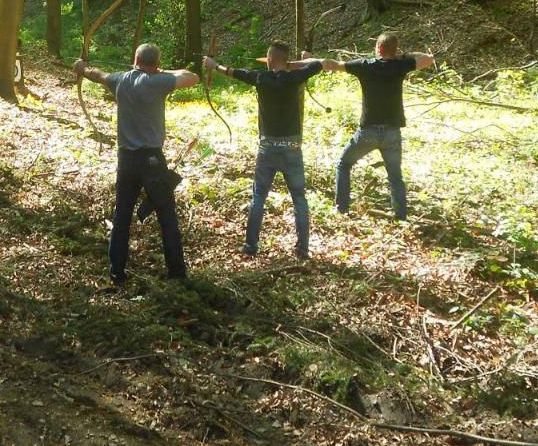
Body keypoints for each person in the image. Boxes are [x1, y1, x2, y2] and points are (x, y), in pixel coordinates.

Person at [73, 44, 200, 285]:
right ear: (156, 63)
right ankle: (177, 273)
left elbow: (97, 75)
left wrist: (82, 68)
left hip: (127, 162)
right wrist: (163, 72)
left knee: (122, 217)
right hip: (153, 161)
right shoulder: (158, 82)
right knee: (167, 218)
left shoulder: (121, 80)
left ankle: (116, 273)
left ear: (135, 59)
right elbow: (192, 76)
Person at [204, 42, 324, 261]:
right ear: (286, 61)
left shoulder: (261, 78)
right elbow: (316, 65)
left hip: (268, 147)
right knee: (299, 198)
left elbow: (234, 72)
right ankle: (303, 250)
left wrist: (214, 65)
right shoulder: (295, 77)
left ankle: (251, 246)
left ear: (269, 59)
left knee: (259, 195)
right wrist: (305, 58)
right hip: (292, 147)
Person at [321, 32, 435, 220]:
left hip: (368, 132)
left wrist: (311, 63)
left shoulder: (365, 66)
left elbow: (334, 65)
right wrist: (403, 56)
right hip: (392, 132)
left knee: (344, 164)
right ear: (394, 50)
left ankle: (341, 209)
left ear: (379, 49)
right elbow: (428, 59)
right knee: (395, 177)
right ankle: (400, 218)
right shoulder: (401, 65)